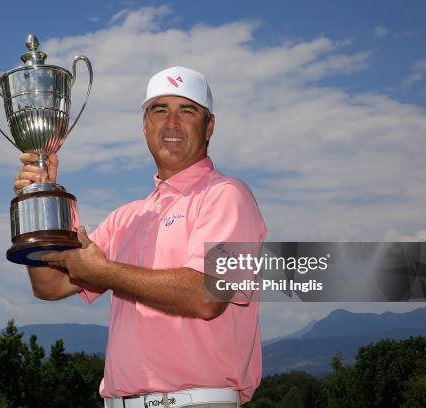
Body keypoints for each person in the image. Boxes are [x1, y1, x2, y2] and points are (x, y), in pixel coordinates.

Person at [14, 66, 266, 408]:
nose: (171, 123)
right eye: (159, 110)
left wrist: (102, 272)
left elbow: (207, 296)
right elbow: (50, 285)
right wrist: (42, 198)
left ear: (209, 127)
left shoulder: (228, 196)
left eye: (187, 110)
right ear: (145, 125)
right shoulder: (127, 218)